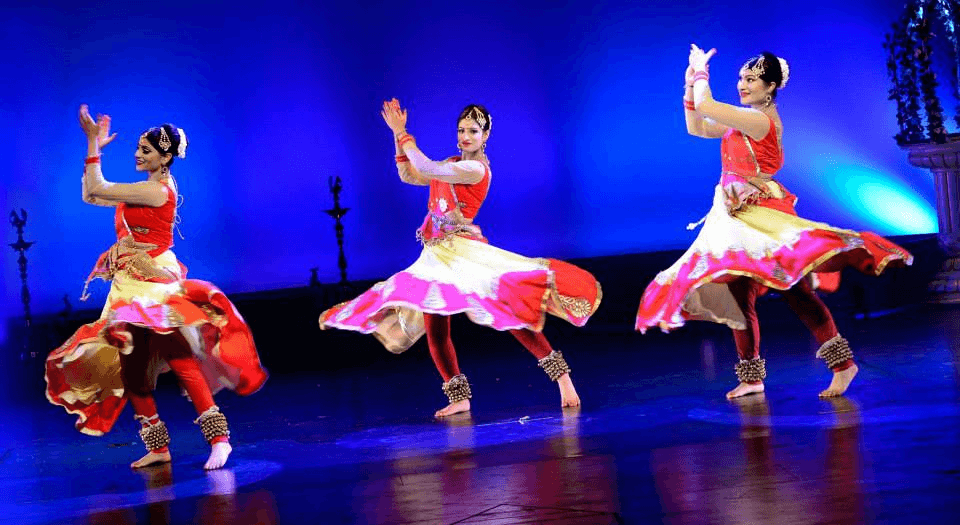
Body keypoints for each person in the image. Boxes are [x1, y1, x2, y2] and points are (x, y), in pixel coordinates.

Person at [635, 48, 912, 399]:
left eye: (750, 79)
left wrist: (701, 72)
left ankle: (843, 365)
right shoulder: (745, 118)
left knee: (794, 290)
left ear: (770, 87)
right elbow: (697, 127)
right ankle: (751, 377)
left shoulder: (761, 120)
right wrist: (689, 85)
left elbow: (708, 108)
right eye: (740, 78)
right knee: (738, 297)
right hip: (734, 218)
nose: (742, 85)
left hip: (761, 217)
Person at [320, 100, 602, 417]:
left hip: (464, 253)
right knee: (437, 330)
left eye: (473, 131)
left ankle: (563, 378)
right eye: (461, 130)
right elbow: (409, 174)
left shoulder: (475, 169)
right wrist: (395, 137)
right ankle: (459, 396)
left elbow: (426, 168)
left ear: (485, 137)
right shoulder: (452, 163)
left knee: (508, 313)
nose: (465, 136)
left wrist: (402, 132)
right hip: (436, 255)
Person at [46, 105, 268, 469]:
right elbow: (91, 195)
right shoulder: (143, 188)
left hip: (153, 283)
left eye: (145, 150)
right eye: (137, 148)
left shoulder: (157, 190)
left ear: (165, 157)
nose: (137, 154)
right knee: (133, 366)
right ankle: (158, 445)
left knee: (179, 357)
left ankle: (220, 440)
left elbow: (99, 186)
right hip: (129, 284)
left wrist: (92, 144)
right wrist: (94, 149)